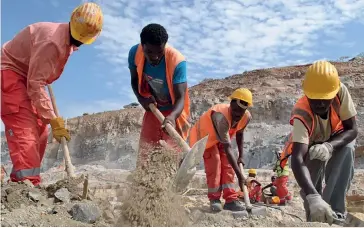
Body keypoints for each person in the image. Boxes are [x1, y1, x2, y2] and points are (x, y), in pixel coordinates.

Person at [1, 2, 104, 186]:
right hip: (11, 73)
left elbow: (37, 79)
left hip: (29, 77)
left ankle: (19, 183)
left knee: (41, 130)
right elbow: (35, 83)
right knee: (25, 131)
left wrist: (49, 120)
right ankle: (28, 185)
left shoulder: (66, 41)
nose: (79, 41)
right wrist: (53, 118)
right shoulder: (52, 43)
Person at [279, 60, 358, 224]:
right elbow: (298, 158)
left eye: (325, 98)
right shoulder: (301, 113)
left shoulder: (339, 92)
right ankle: (315, 217)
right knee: (311, 176)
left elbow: (352, 130)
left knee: (347, 150)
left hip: (338, 138)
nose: (321, 103)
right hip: (312, 144)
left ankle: (336, 213)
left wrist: (329, 146)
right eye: (315, 98)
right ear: (307, 93)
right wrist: (313, 196)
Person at [129, 23, 190, 164]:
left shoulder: (178, 61)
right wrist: (141, 99)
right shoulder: (134, 53)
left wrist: (172, 117)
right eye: (150, 52)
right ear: (142, 45)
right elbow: (134, 80)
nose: (155, 57)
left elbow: (181, 97)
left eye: (159, 52)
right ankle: (144, 183)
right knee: (146, 153)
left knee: (171, 154)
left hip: (175, 110)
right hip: (153, 106)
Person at [189, 88, 253, 211]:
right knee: (215, 162)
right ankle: (214, 199)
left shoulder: (246, 117)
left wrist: (241, 156)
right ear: (230, 104)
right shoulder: (220, 116)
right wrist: (240, 176)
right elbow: (228, 147)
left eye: (240, 112)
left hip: (221, 138)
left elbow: (240, 133)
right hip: (204, 138)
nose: (236, 115)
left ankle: (230, 199)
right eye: (234, 111)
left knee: (228, 164)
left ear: (246, 109)